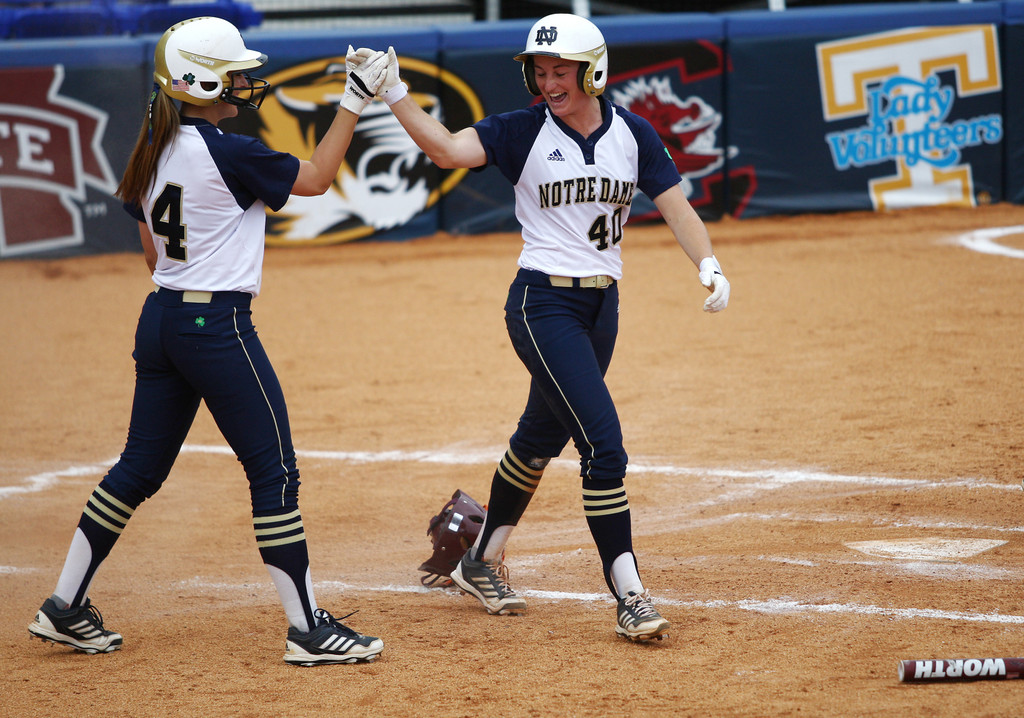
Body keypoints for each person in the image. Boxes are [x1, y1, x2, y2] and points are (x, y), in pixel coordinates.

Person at [27, 17, 390, 666]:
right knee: (274, 471)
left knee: (136, 471)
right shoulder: (227, 149)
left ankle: (64, 603)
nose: (247, 82)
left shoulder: (154, 146)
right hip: (214, 325)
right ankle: (307, 629)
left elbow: (150, 253)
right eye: (235, 73)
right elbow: (315, 179)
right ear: (200, 80)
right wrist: (354, 101)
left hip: (162, 316)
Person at [364, 13, 730, 641]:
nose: (547, 80)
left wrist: (710, 264)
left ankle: (479, 559)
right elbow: (446, 149)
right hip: (541, 306)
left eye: (560, 70)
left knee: (539, 437)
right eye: (540, 69)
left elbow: (677, 206)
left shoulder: (633, 134)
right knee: (603, 446)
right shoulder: (521, 131)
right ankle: (631, 595)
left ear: (593, 71)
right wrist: (395, 91)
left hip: (600, 309)